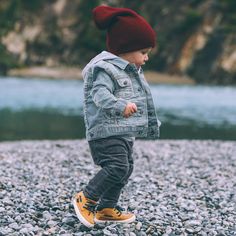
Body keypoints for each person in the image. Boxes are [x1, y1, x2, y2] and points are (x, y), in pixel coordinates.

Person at [72, 5, 161, 228]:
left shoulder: (131, 72)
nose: (146, 58)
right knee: (117, 166)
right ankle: (86, 198)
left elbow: (141, 103)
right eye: (143, 52)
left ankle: (106, 208)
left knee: (126, 167)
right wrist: (120, 105)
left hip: (123, 132)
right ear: (124, 48)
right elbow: (99, 95)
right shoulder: (105, 69)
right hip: (104, 132)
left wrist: (149, 122)